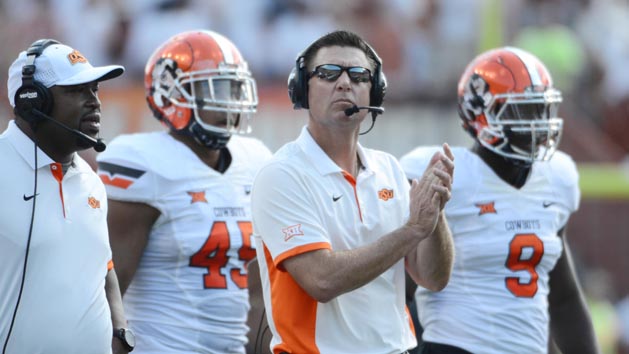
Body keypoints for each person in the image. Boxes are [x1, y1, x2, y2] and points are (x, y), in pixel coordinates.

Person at [251, 30, 455, 354]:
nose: (345, 83)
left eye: (359, 75)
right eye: (329, 73)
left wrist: (435, 214)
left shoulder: (389, 168)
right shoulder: (281, 175)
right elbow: (322, 280)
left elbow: (433, 278)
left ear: (375, 91)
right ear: (302, 89)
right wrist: (413, 229)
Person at [400, 46, 600, 354]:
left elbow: (563, 299)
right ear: (481, 114)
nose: (538, 125)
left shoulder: (557, 177)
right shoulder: (445, 171)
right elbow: (401, 290)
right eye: (523, 111)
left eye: (541, 110)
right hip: (456, 347)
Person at [96, 30, 272, 354]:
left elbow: (259, 297)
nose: (230, 103)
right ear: (171, 94)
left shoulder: (256, 159)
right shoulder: (143, 163)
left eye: (234, 89)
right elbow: (108, 288)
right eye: (216, 89)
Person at [0, 39, 131, 354]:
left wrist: (121, 333)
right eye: (76, 91)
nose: (95, 102)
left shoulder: (90, 180)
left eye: (94, 90)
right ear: (33, 102)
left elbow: (103, 265)